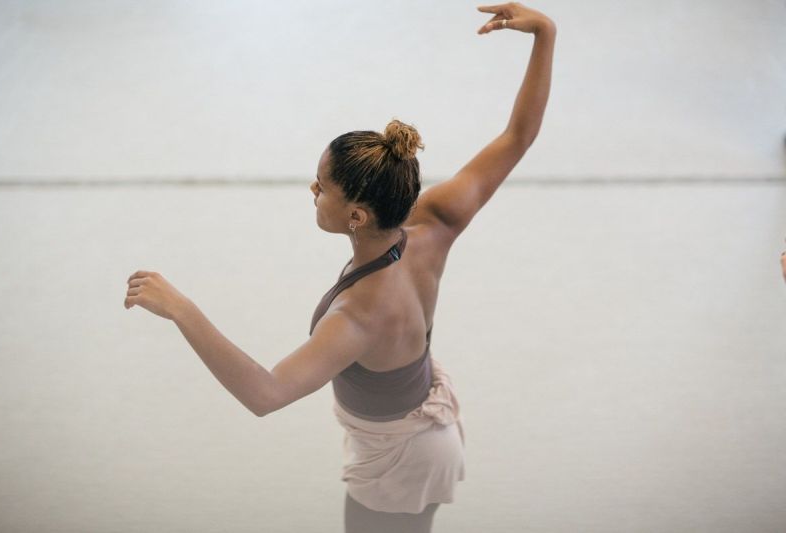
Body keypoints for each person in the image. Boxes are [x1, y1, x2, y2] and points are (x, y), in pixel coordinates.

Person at [123, 3, 555, 532]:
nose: (312, 190)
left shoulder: (361, 315)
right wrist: (545, 35)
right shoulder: (434, 221)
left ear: (356, 214)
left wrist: (183, 311)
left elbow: (265, 394)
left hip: (401, 457)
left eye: (321, 185)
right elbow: (518, 137)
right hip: (416, 431)